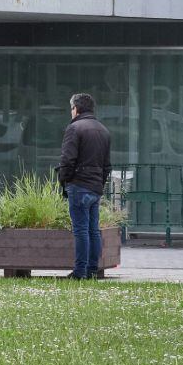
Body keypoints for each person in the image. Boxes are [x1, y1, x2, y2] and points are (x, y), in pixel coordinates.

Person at [58, 93, 111, 279]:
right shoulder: (103, 129)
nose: (71, 112)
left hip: (79, 185)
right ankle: (92, 270)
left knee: (80, 230)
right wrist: (99, 182)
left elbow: (67, 159)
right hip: (95, 186)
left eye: (71, 108)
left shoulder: (74, 128)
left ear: (76, 109)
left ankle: (80, 272)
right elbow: (107, 165)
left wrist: (64, 180)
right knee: (93, 230)